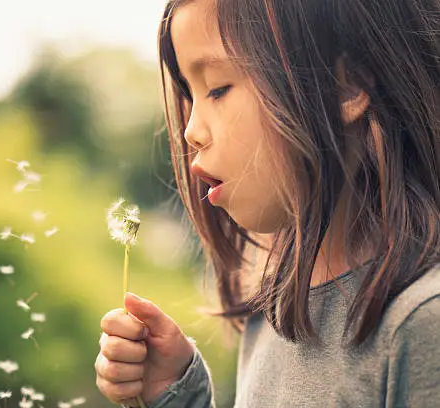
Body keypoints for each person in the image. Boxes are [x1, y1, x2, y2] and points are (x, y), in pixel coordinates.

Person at [95, 0, 440, 406]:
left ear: (344, 88)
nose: (190, 132)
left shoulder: (421, 324)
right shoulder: (274, 310)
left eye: (218, 89)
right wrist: (176, 395)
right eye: (191, 95)